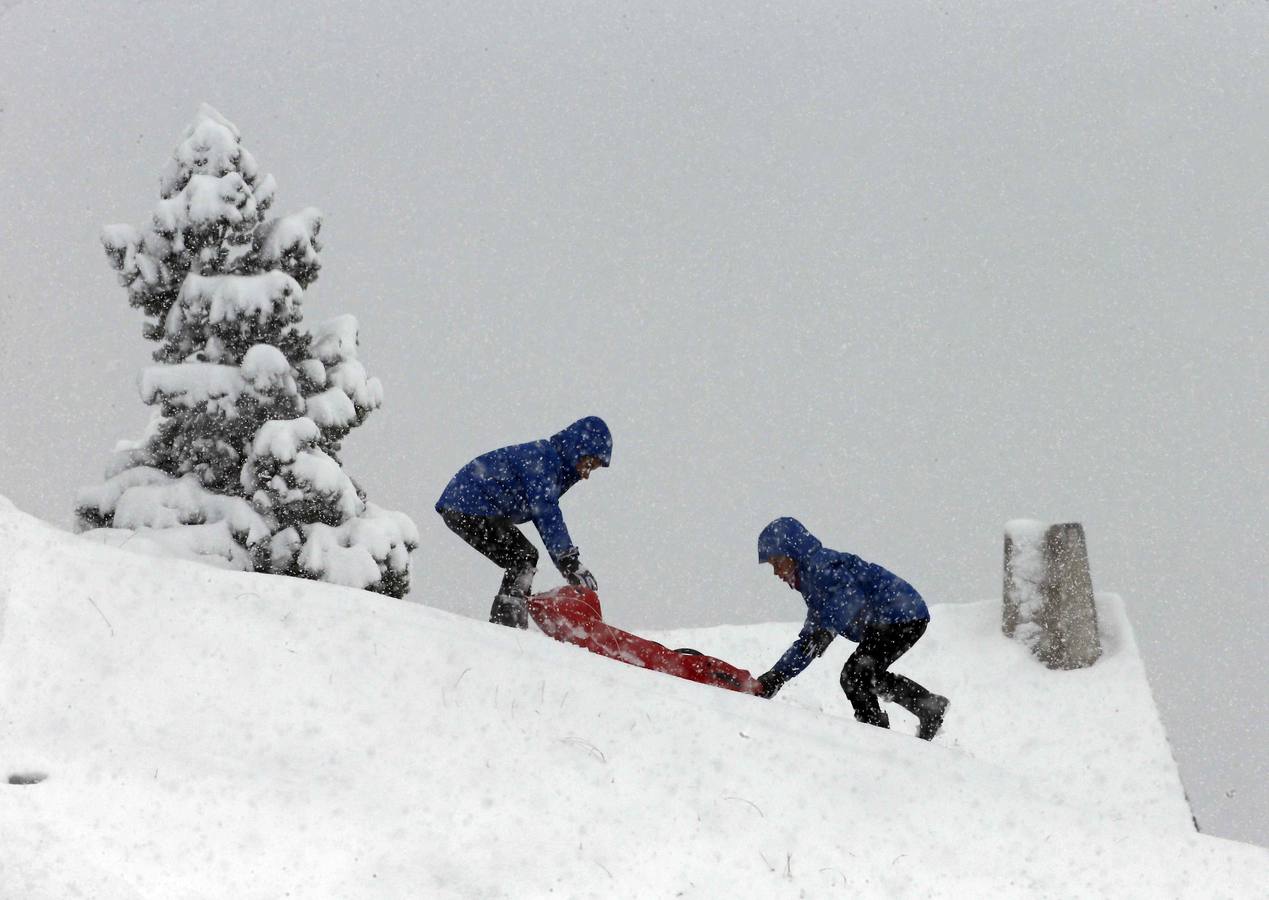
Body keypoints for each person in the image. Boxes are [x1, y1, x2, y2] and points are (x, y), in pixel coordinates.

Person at [753, 517, 949, 740]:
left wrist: (826, 630)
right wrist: (776, 676)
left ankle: (879, 735)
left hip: (900, 615)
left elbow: (849, 597)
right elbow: (809, 640)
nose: (776, 571)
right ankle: (926, 706)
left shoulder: (821, 566)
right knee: (861, 674)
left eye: (777, 561)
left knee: (855, 675)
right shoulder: (812, 585)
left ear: (793, 552)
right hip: (900, 617)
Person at [436, 416, 612, 628]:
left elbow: (544, 512)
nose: (586, 475)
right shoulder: (544, 460)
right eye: (589, 464)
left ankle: (510, 617)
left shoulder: (551, 464)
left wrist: (565, 561)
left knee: (522, 557)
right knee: (523, 557)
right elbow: (546, 512)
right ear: (577, 449)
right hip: (467, 504)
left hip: (465, 505)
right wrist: (568, 561)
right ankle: (508, 624)